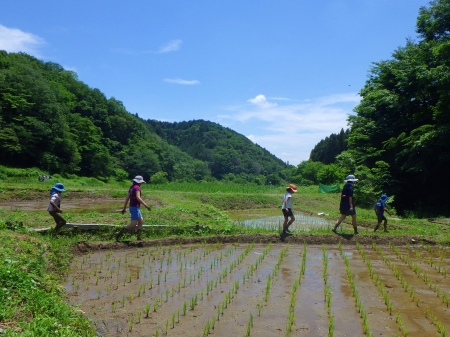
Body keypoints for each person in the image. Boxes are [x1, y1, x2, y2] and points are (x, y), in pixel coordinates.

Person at [115, 175, 151, 241]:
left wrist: (124, 208)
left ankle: (138, 237)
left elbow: (127, 199)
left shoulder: (132, 187)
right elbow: (138, 197)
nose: (141, 184)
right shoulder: (137, 188)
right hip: (135, 208)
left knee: (140, 221)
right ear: (139, 182)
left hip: (133, 207)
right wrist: (146, 205)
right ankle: (118, 233)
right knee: (133, 225)